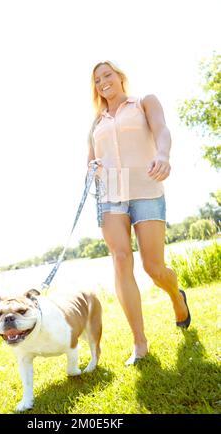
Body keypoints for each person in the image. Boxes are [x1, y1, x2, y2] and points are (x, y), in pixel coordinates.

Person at [87, 60, 191, 365]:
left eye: (107, 74)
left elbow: (162, 131)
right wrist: (91, 168)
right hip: (110, 198)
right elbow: (90, 159)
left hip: (147, 189)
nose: (103, 81)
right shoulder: (96, 122)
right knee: (120, 261)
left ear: (120, 77)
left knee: (154, 267)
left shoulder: (144, 102)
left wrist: (163, 155)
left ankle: (176, 295)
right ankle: (140, 342)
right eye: (97, 79)